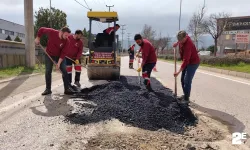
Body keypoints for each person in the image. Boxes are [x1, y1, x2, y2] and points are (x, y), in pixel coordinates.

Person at [35, 26, 75, 95]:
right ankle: (48, 89)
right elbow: (41, 29)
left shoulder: (67, 41)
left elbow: (63, 53)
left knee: (64, 70)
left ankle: (67, 89)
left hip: (59, 56)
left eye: (68, 36)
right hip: (49, 54)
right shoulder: (52, 32)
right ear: (61, 32)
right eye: (66, 35)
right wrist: (38, 38)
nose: (67, 37)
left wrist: (58, 63)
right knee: (48, 71)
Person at [173, 30, 200, 103]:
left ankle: (186, 99)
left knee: (187, 81)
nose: (180, 42)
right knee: (182, 79)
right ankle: (185, 95)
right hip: (187, 62)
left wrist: (178, 72)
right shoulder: (183, 39)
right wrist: (177, 43)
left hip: (193, 63)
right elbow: (180, 40)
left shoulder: (189, 45)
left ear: (185, 38)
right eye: (179, 40)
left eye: (181, 40)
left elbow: (186, 60)